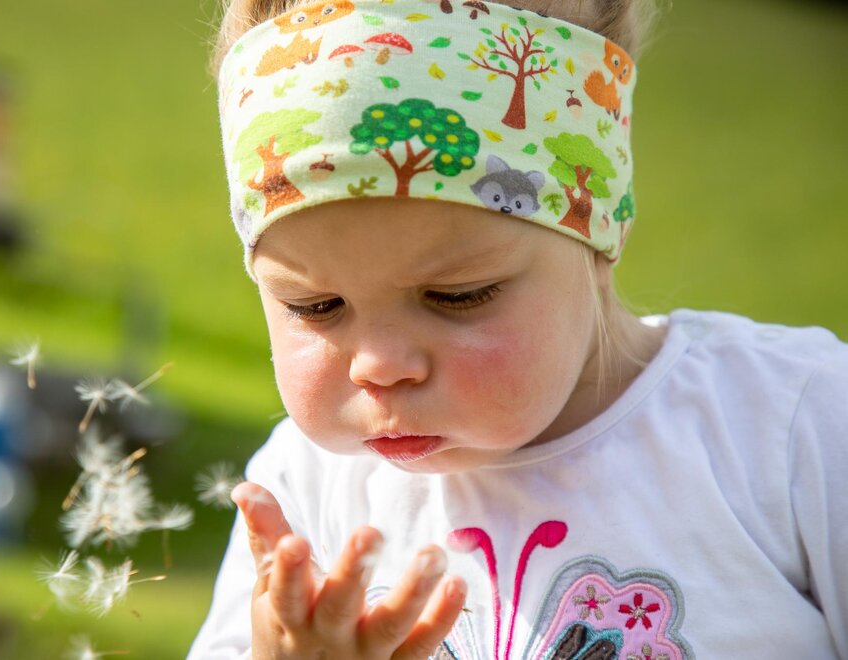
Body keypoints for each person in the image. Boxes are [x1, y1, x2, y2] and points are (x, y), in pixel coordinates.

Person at [189, 1, 848, 657]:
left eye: (458, 295)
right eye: (314, 306)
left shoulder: (791, 428)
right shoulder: (300, 497)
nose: (379, 366)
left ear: (598, 232)